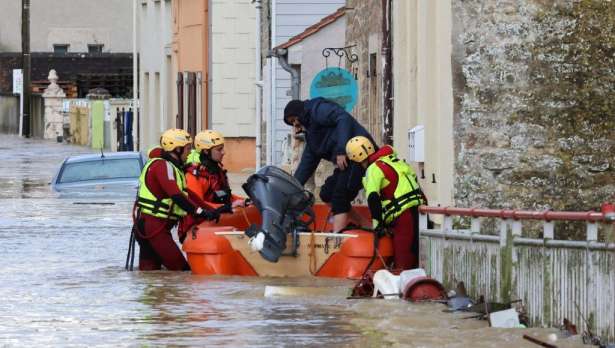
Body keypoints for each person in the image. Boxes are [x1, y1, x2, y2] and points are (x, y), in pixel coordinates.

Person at [132, 128, 219, 271]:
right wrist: (199, 212)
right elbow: (177, 196)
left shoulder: (171, 167)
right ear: (177, 149)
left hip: (149, 225)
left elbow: (188, 195)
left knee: (149, 275)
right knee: (182, 271)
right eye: (188, 148)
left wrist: (212, 210)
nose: (190, 152)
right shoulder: (162, 166)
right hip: (154, 227)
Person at [284, 98, 374, 232]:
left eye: (294, 119)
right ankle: (366, 226)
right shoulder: (312, 137)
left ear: (299, 112)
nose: (295, 124)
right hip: (347, 162)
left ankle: (337, 240)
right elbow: (306, 165)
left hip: (360, 155)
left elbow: (343, 118)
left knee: (340, 196)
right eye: (292, 123)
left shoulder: (317, 109)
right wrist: (291, 188)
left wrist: (341, 150)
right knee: (327, 193)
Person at [345, 135, 425, 270]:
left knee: (403, 261)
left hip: (403, 216)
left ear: (357, 160)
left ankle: (405, 288)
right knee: (417, 254)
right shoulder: (394, 161)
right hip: (420, 212)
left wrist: (377, 226)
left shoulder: (373, 169)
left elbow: (373, 198)